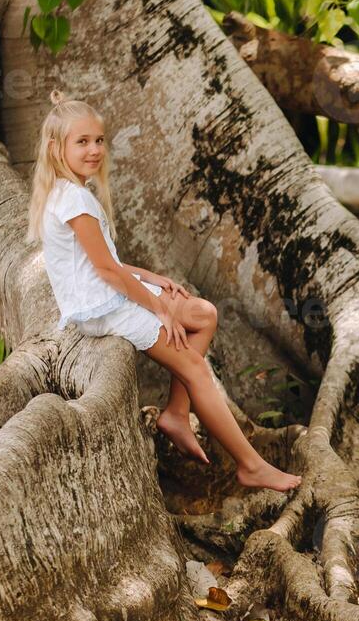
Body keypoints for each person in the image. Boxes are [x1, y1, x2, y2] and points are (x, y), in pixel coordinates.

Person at [26, 90, 302, 493]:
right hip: (101, 308)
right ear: (56, 148)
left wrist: (151, 278)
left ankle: (176, 411)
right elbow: (104, 270)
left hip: (109, 291)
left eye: (99, 140)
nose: (94, 150)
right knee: (193, 367)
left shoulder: (74, 192)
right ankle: (251, 465)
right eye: (82, 142)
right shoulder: (73, 200)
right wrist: (159, 309)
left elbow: (104, 262)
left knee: (203, 314)